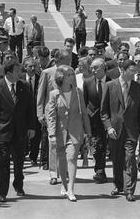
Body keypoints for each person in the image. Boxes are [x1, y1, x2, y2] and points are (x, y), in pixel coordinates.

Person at [0, 60, 35, 203]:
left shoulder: (24, 86)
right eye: (16, 71)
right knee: (3, 163)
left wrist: (31, 127)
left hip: (20, 132)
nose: (19, 74)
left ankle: (18, 185)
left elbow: (30, 109)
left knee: (19, 163)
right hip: (2, 131)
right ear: (8, 73)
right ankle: (2, 191)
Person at [100, 60, 140, 202]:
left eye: (135, 71)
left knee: (130, 159)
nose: (134, 73)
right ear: (122, 70)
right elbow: (103, 112)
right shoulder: (109, 86)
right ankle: (118, 185)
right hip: (115, 130)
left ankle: (129, 190)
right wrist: (108, 127)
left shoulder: (139, 88)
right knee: (117, 159)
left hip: (132, 131)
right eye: (132, 70)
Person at [46, 65, 91, 201]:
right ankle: (64, 186)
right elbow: (51, 115)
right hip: (60, 132)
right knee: (62, 160)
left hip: (75, 131)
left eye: (72, 74)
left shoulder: (78, 92)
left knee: (71, 158)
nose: (72, 77)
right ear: (61, 77)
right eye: (69, 75)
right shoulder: (54, 94)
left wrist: (88, 132)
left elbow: (84, 113)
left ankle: (71, 189)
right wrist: (52, 134)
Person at [37, 49, 72, 184]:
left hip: (66, 113)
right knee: (53, 143)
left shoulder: (70, 72)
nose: (68, 63)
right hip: (51, 113)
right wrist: (40, 113)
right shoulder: (47, 73)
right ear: (57, 61)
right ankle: (53, 173)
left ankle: (64, 169)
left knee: (66, 142)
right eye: (66, 60)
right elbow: (40, 95)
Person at [83, 58, 111, 183]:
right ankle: (100, 171)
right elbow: (85, 103)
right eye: (92, 68)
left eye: (96, 68)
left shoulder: (112, 82)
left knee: (108, 146)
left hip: (109, 119)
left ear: (103, 68)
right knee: (97, 145)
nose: (93, 70)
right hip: (93, 120)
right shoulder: (88, 82)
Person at [19, 58, 42, 166]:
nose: (33, 68)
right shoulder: (20, 79)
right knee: (23, 134)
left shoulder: (40, 79)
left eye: (34, 66)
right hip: (23, 111)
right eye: (30, 66)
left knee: (36, 135)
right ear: (25, 67)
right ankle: (22, 155)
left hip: (36, 110)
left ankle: (34, 156)